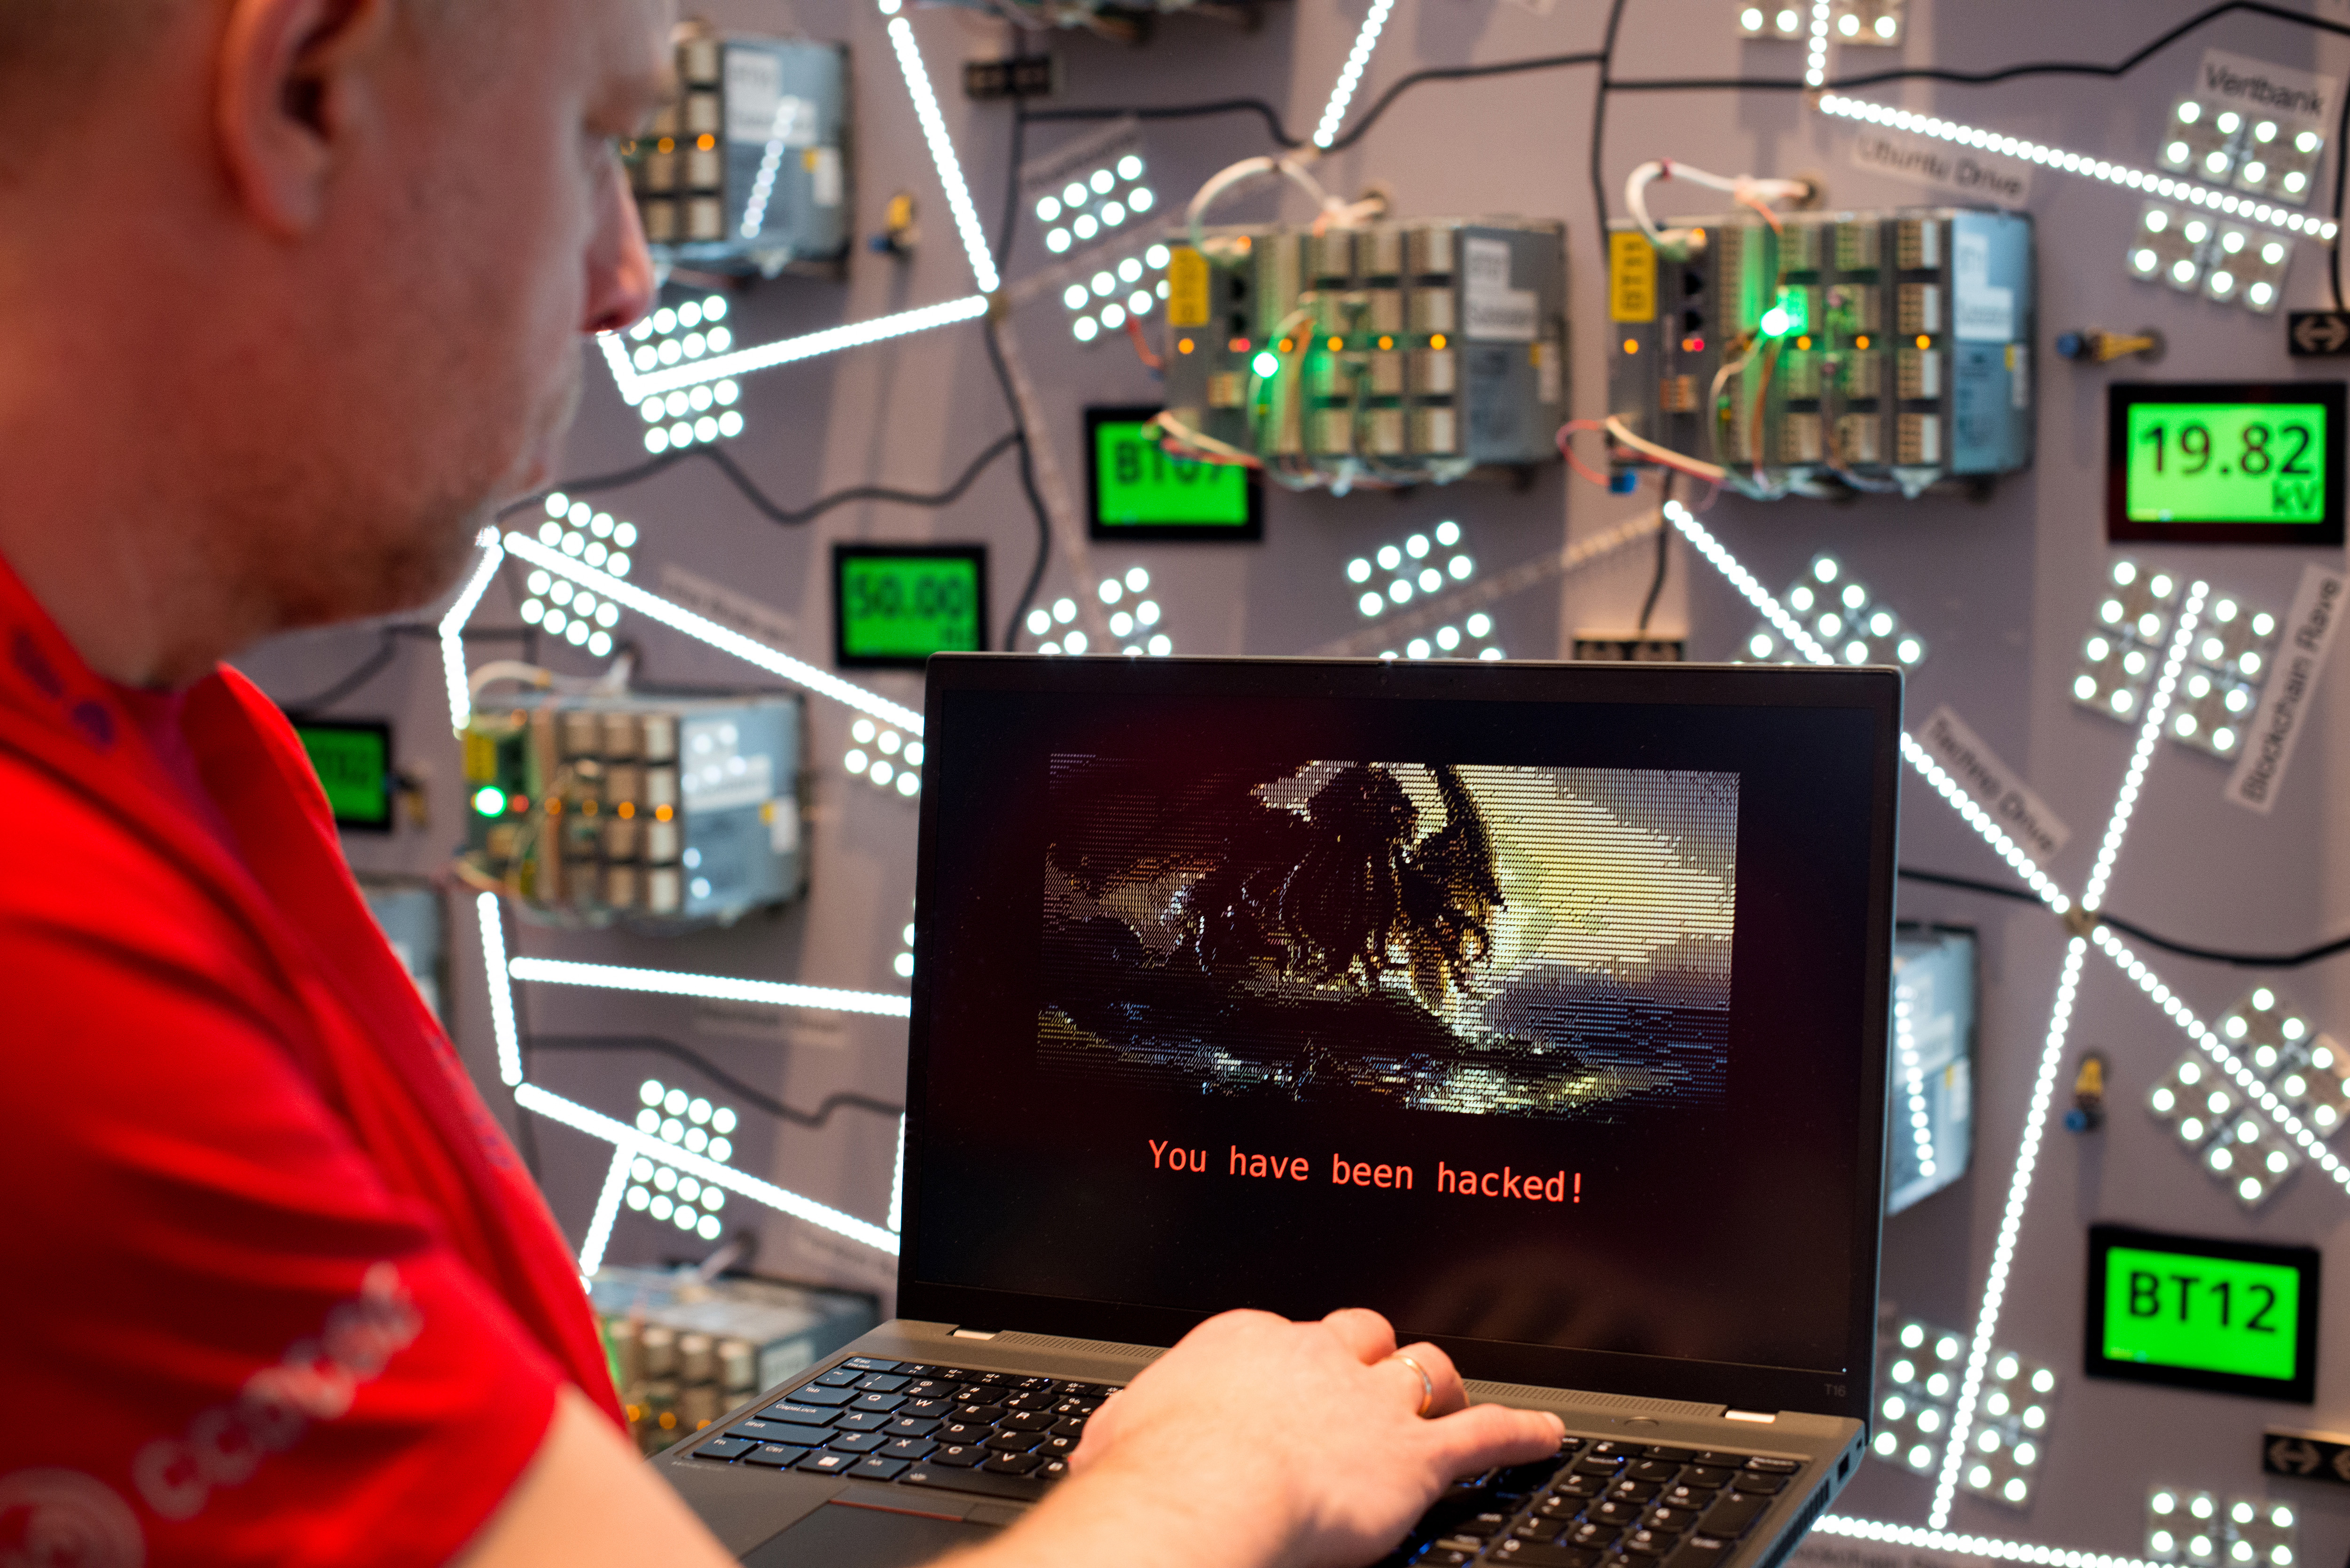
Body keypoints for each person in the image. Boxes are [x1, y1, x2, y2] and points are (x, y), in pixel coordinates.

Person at [0, 1, 1566, 1564]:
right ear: (309, 88)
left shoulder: (195, 748)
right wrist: (1215, 1475)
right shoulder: (47, 952)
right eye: (596, 139)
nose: (631, 279)